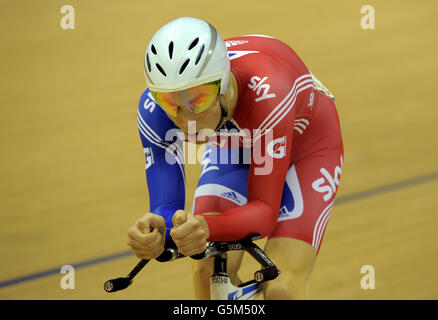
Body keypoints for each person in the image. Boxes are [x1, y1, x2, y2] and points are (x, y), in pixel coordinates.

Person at [127, 17, 344, 300]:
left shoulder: (268, 92)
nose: (186, 117)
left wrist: (207, 227)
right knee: (206, 272)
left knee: (281, 287)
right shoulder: (154, 112)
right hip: (236, 141)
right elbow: (166, 208)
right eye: (170, 101)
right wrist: (156, 232)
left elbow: (264, 212)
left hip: (307, 146)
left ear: (224, 83)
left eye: (199, 98)